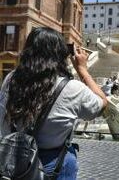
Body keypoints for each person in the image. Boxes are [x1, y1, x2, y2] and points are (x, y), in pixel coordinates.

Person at [0, 27, 108, 179]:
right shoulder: (72, 88)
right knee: (68, 159)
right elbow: (102, 104)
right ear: (60, 54)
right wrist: (83, 70)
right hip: (52, 164)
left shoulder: (10, 79)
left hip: (12, 159)